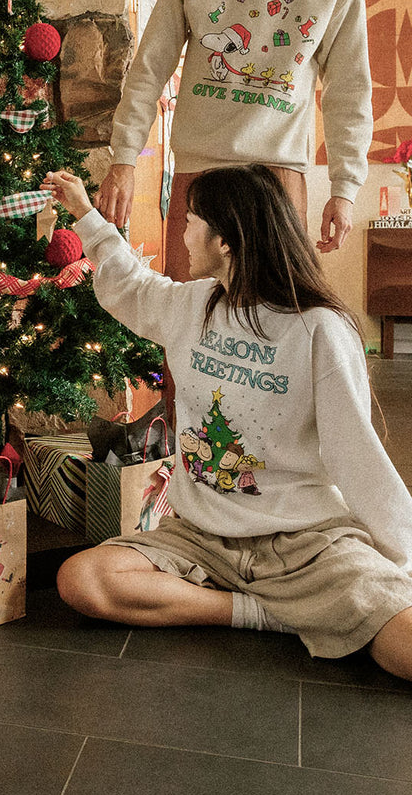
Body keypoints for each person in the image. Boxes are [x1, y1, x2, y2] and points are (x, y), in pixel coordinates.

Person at [44, 164, 412, 681]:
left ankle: (298, 602)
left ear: (226, 241)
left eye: (191, 221)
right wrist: (85, 213)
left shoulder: (320, 330)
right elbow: (130, 285)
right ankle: (266, 612)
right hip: (201, 536)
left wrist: (401, 558)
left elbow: (356, 454)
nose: (183, 233)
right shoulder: (193, 305)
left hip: (302, 544)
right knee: (83, 580)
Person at [96, 0, 371, 280]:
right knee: (187, 313)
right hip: (198, 173)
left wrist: (344, 190)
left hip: (278, 180)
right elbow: (149, 70)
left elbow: (349, 93)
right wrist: (124, 159)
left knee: (273, 314)